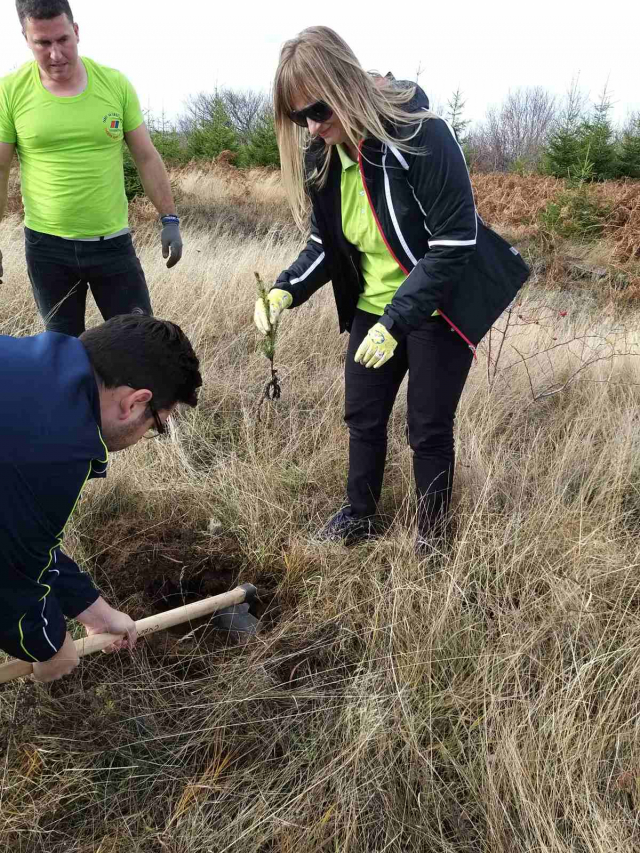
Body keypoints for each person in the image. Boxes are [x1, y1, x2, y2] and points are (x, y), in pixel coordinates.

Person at [254, 26, 530, 548]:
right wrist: (283, 291)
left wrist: (397, 320)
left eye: (319, 110)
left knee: (427, 428)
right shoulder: (323, 156)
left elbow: (454, 241)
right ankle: (359, 515)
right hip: (372, 308)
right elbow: (326, 243)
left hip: (436, 308)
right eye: (299, 118)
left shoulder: (420, 137)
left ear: (344, 88)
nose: (312, 127)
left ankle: (432, 537)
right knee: (362, 415)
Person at [0, 314, 202, 682]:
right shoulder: (56, 450)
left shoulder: (33, 365)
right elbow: (8, 578)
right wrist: (48, 646)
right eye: (156, 425)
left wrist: (93, 611)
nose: (145, 436)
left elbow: (23, 537)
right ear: (136, 402)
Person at [0, 0, 183, 337]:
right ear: (26, 40)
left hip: (112, 245)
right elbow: (0, 168)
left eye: (63, 39)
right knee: (62, 350)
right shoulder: (9, 92)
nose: (56, 54)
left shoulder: (115, 84)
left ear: (77, 32)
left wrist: (169, 218)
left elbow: (146, 156)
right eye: (42, 43)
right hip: (47, 248)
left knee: (139, 340)